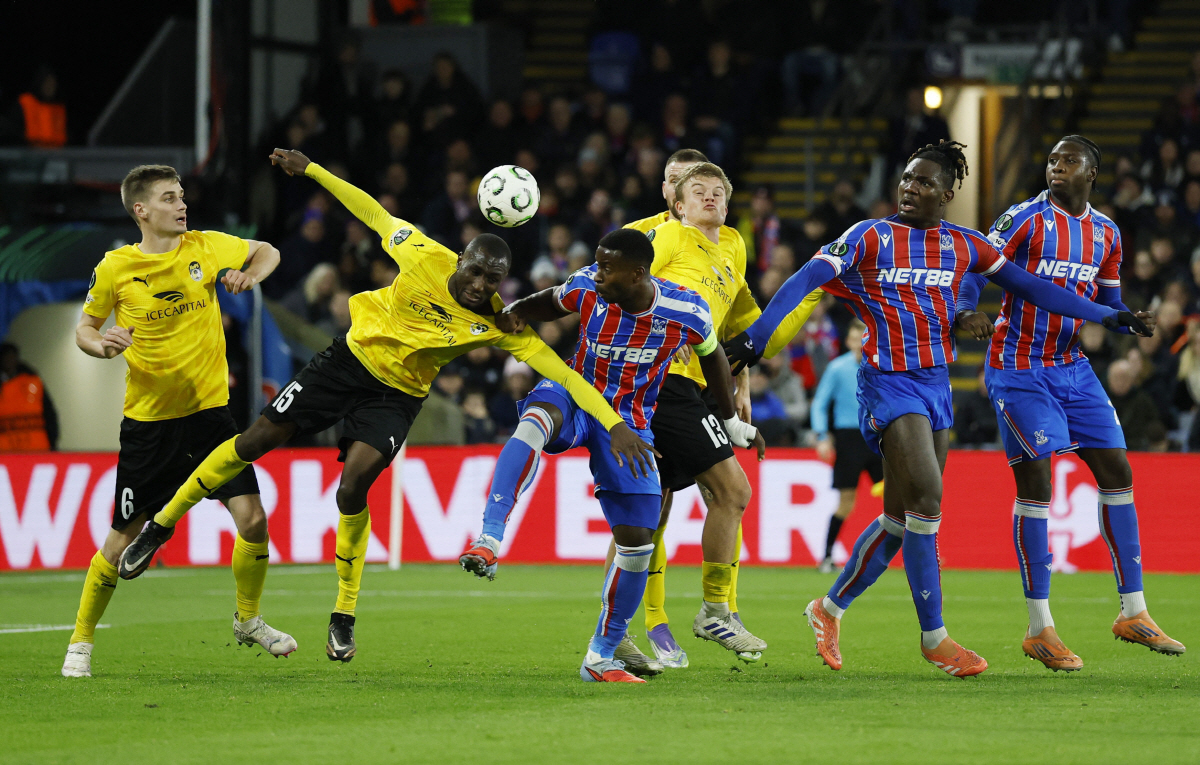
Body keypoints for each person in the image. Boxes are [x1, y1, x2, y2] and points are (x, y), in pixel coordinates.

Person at [121, 149, 653, 665]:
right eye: (474, 273)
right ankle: (162, 524)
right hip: (346, 362)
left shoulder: (497, 321)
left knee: (353, 485)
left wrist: (613, 423)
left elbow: (565, 375)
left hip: (396, 396)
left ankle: (343, 613)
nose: (479, 286)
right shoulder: (420, 253)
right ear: (460, 261)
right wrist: (312, 171)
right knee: (254, 441)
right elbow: (370, 209)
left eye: (492, 281)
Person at [724, 140, 1151, 678]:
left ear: (948, 193)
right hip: (886, 384)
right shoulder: (870, 236)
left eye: (924, 182)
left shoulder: (965, 246)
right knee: (929, 495)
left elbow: (1036, 288)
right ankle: (936, 639)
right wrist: (756, 341)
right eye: (906, 179)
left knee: (903, 520)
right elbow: (806, 278)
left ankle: (826, 609)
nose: (910, 188)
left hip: (936, 385)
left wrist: (1108, 316)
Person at [460, 229, 756, 682]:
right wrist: (518, 311)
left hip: (630, 425)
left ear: (637, 274)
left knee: (638, 537)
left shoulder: (685, 309)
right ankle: (490, 538)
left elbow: (713, 357)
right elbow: (551, 300)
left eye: (606, 267)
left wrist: (729, 416)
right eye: (596, 263)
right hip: (575, 395)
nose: (596, 273)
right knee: (535, 421)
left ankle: (600, 656)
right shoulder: (587, 287)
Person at [957, 135, 1185, 669]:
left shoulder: (1107, 232)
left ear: (1092, 173)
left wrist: (1128, 317)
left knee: (1118, 472)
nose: (1056, 166)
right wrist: (967, 312)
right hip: (1017, 367)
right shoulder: (1023, 219)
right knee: (1037, 480)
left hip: (1072, 366)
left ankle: (1133, 611)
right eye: (1052, 158)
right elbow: (973, 265)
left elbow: (1105, 301)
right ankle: (1040, 628)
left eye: (1068, 161)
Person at [62, 164, 289, 678]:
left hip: (211, 418)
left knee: (253, 520)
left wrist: (251, 274)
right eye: (169, 198)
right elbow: (85, 327)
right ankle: (80, 642)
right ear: (141, 210)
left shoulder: (206, 247)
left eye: (182, 195)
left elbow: (267, 249)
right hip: (150, 425)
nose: (181, 205)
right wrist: (101, 346)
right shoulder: (116, 267)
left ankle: (248, 620)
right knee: (120, 544)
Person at [622, 153, 822, 668]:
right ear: (678, 204)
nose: (711, 197)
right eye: (699, 190)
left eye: (720, 191)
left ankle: (623, 626)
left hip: (698, 387)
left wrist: (811, 294)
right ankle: (708, 611)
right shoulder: (662, 237)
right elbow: (622, 288)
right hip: (659, 380)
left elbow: (753, 331)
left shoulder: (732, 245)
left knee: (651, 512)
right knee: (723, 493)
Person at [809, 320, 882, 574]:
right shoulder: (838, 368)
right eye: (853, 339)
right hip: (849, 438)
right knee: (845, 502)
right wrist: (821, 435)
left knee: (899, 498)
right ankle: (827, 556)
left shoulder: (881, 366)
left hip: (878, 436)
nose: (858, 344)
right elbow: (820, 403)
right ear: (849, 342)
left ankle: (917, 555)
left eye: (861, 338)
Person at [0, 342, 59, 451]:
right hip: (6, 452)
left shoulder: (33, 382)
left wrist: (53, 443)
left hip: (36, 448)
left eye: (11, 356)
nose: (8, 360)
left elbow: (49, 414)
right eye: (5, 357)